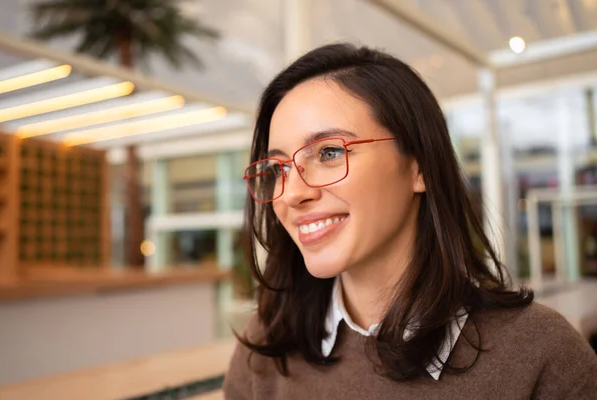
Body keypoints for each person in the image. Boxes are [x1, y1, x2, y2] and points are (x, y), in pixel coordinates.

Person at [223, 43, 597, 399]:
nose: (291, 194)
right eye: (277, 168)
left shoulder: (540, 354)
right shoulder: (266, 349)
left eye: (330, 152)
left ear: (419, 166)